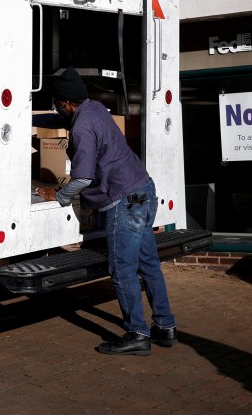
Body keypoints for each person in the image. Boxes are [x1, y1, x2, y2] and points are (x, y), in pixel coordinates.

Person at [35, 67, 177, 356]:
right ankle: (165, 326)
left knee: (122, 269)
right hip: (143, 190)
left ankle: (137, 334)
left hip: (123, 199)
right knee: (147, 263)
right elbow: (62, 119)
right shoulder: (95, 108)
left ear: (64, 103)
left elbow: (84, 177)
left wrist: (59, 195)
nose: (56, 109)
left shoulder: (82, 129)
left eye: (56, 104)